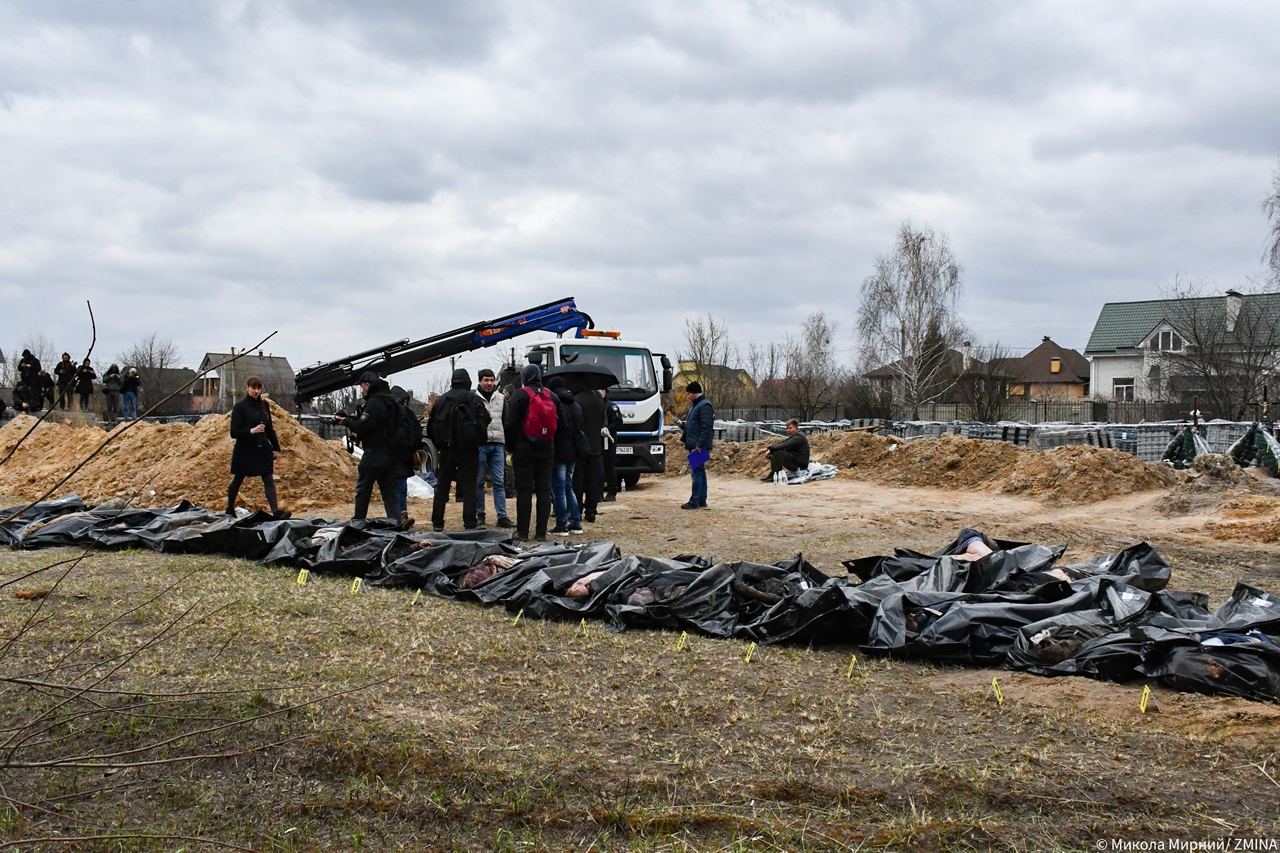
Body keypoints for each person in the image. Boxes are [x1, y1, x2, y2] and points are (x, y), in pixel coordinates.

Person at [335, 371, 405, 526]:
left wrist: (345, 422)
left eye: (362, 386)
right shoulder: (391, 401)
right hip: (391, 454)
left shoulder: (375, 402)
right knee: (389, 492)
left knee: (363, 488)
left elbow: (363, 425)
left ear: (367, 385)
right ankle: (396, 522)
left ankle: (358, 522)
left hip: (374, 453)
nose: (362, 390)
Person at [428, 368, 489, 532]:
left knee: (442, 486)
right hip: (469, 451)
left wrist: (440, 445)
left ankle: (437, 522)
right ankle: (470, 523)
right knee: (470, 487)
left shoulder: (441, 401)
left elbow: (430, 427)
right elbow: (484, 424)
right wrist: (478, 442)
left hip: (447, 450)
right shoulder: (474, 400)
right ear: (468, 381)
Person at [504, 363, 556, 542]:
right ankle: (541, 533)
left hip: (524, 449)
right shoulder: (551, 395)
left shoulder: (519, 395)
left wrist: (512, 447)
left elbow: (510, 424)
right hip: (547, 448)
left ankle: (522, 533)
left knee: (524, 491)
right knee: (544, 491)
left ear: (524, 377)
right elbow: (561, 423)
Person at [226, 377, 289, 519]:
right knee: (238, 479)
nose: (256, 391)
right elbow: (234, 432)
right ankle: (229, 508)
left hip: (262, 448)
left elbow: (270, 429)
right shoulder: (240, 407)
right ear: (247, 388)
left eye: (258, 388)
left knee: (268, 478)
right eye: (253, 388)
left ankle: (276, 512)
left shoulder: (264, 405)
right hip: (245, 449)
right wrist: (251, 431)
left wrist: (276, 448)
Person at [475, 368, 514, 529]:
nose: (489, 383)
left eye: (491, 380)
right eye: (486, 380)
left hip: (497, 443)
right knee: (479, 482)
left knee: (499, 482)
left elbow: (506, 419)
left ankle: (502, 516)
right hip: (480, 445)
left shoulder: (500, 398)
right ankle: (480, 514)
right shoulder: (473, 399)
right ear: (480, 381)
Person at [547, 376, 584, 534]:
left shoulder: (555, 404)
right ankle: (576, 522)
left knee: (559, 489)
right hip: (574, 451)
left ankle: (561, 524)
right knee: (569, 486)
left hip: (559, 450)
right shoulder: (576, 404)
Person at [573, 384, 606, 522]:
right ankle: (591, 511)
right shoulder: (599, 401)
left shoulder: (576, 400)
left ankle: (578, 509)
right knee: (594, 480)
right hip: (595, 446)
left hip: (580, 446)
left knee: (578, 481)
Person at [680, 381, 714, 510]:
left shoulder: (704, 405)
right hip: (695, 443)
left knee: (697, 473)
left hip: (698, 445)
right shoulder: (696, 405)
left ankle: (695, 501)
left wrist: (699, 445)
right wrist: (683, 425)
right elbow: (695, 425)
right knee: (700, 472)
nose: (687, 396)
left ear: (694, 392)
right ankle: (701, 500)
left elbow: (706, 427)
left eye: (688, 393)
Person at [601, 388, 622, 501]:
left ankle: (612, 491)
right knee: (597, 468)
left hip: (609, 441)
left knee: (609, 466)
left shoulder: (611, 406)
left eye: (601, 390)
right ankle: (597, 492)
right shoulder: (595, 405)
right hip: (597, 441)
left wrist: (608, 429)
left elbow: (618, 422)